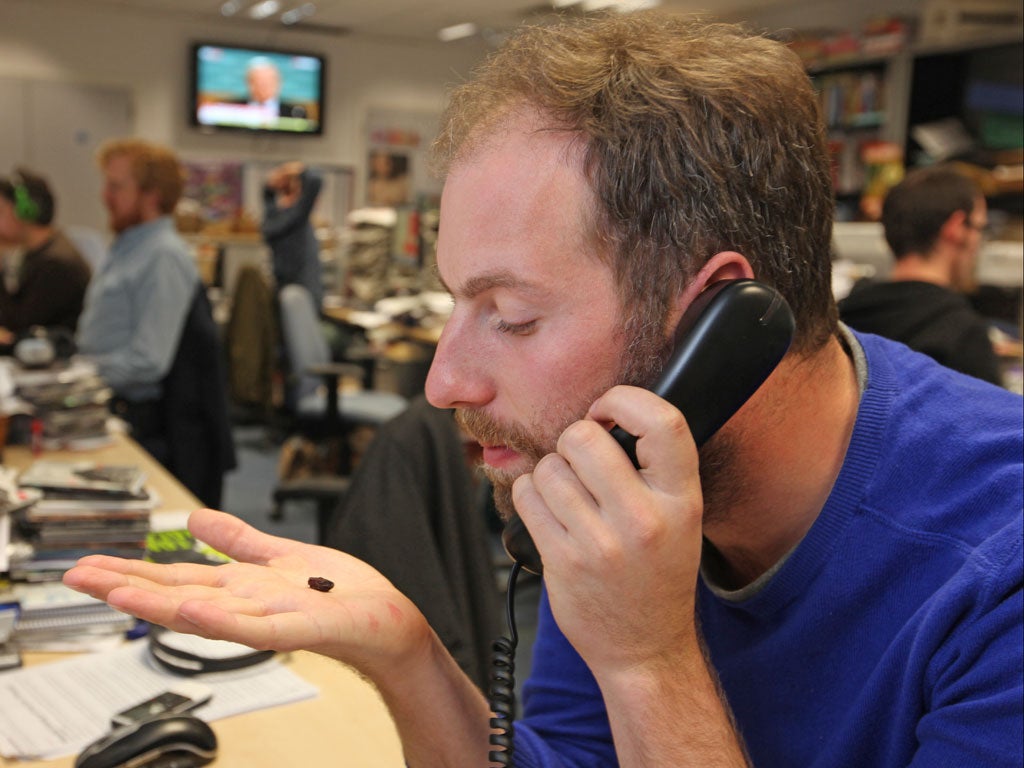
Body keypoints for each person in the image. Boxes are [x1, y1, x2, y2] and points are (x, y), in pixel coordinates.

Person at [64, 14, 1023, 767]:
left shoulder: (998, 569)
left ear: (714, 325)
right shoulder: (616, 479)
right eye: (456, 306)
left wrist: (650, 664)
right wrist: (408, 657)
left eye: (512, 316)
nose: (444, 382)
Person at [76, 138, 235, 507]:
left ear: (152, 196)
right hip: (118, 409)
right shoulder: (129, 245)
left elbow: (148, 362)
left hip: (153, 431)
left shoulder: (163, 256)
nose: (105, 195)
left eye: (116, 187)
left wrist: (79, 373)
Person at [839, 165, 1003, 384]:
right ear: (955, 228)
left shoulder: (843, 318)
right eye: (980, 228)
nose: (979, 243)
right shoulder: (962, 334)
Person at [0, 167, 92, 348]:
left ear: (25, 211)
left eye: (1, 211)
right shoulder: (39, 253)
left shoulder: (55, 264)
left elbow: (17, 333)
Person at [261, 160, 324, 308]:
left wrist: (269, 187)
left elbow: (268, 199)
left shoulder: (273, 219)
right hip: (304, 294)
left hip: (284, 291)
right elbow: (315, 181)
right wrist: (299, 170)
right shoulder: (293, 219)